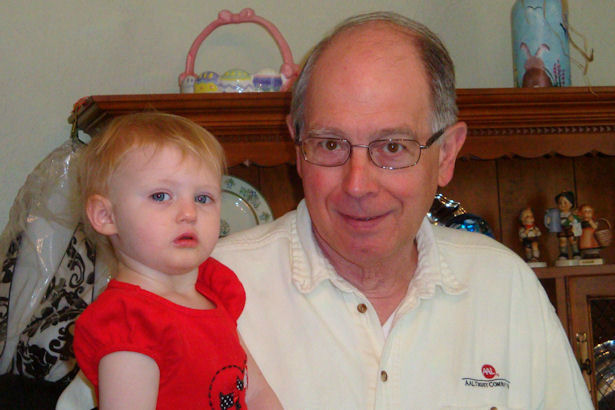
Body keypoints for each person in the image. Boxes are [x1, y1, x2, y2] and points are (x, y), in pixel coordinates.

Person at [58, 11, 592, 409]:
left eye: (392, 147)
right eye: (331, 144)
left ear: (446, 155)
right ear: (296, 146)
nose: (357, 185)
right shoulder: (194, 290)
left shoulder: (506, 287)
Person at [72, 113, 280, 409]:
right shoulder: (129, 322)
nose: (189, 213)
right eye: (160, 196)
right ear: (106, 216)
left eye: (203, 198)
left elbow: (256, 392)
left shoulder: (213, 294)